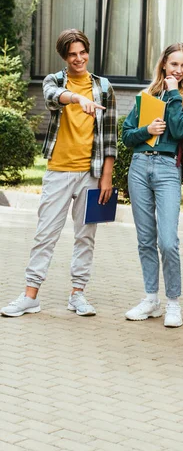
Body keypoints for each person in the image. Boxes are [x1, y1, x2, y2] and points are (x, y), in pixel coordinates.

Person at [1, 29, 117, 318]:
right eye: (72, 54)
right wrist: (78, 99)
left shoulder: (104, 87)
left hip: (90, 173)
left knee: (85, 236)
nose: (78, 59)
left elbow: (111, 137)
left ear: (88, 52)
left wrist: (107, 176)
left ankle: (78, 294)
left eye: (82, 52)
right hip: (58, 170)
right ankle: (30, 296)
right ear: (64, 57)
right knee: (45, 234)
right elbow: (54, 97)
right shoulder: (54, 80)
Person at [122, 43, 183, 328]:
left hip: (168, 169)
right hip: (140, 166)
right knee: (145, 239)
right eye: (174, 64)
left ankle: (173, 302)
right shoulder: (146, 96)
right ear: (164, 65)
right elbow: (127, 135)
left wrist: (172, 95)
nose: (178, 70)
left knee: (168, 241)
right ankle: (151, 299)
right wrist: (147, 130)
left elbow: (180, 130)